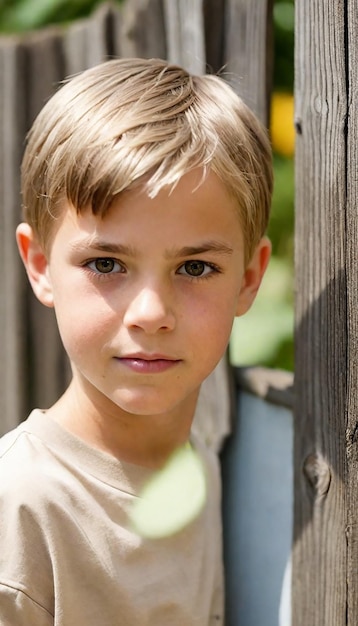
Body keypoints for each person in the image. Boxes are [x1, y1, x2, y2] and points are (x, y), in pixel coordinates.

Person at [0, 57, 273, 625]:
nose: (150, 313)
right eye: (107, 263)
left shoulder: (196, 464)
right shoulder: (19, 508)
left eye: (195, 268)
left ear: (249, 277)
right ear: (41, 266)